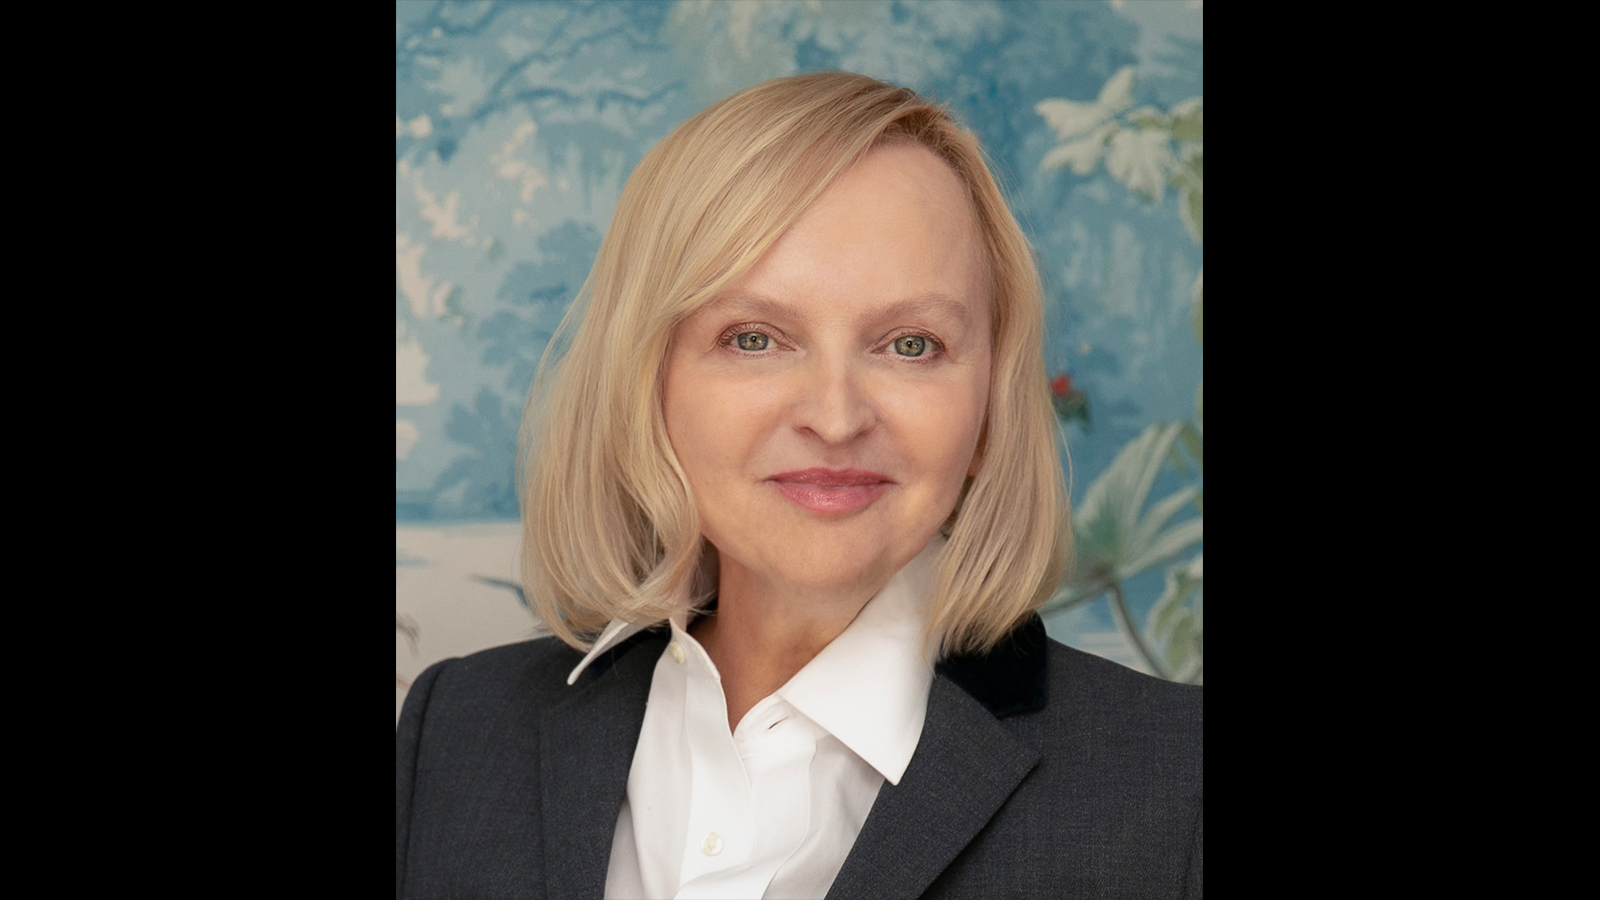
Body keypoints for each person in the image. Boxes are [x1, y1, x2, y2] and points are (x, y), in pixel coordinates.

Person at [396, 72, 1201, 900]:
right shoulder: (454, 731)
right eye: (754, 338)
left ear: (988, 407)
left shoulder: (1179, 789)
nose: (836, 415)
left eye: (911, 345)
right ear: (650, 383)